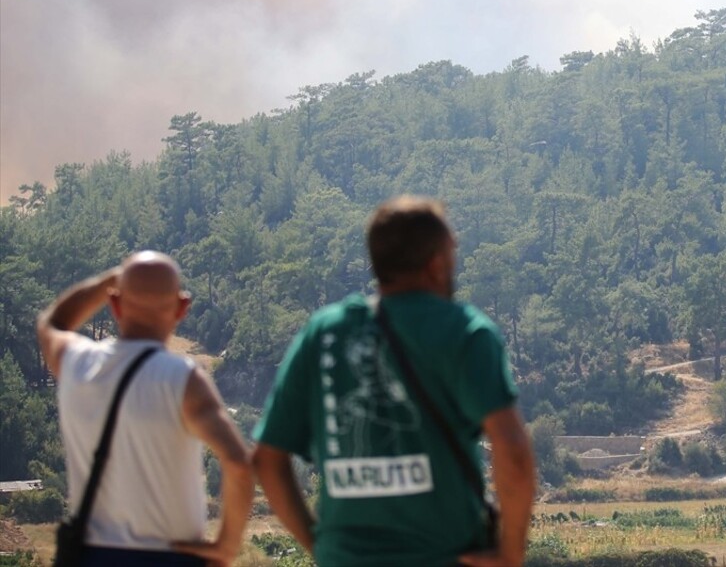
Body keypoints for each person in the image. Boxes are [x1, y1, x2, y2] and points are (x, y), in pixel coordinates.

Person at [253, 196, 536, 567]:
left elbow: (267, 460)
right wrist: (510, 554)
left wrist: (321, 548)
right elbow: (513, 451)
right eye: (453, 252)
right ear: (437, 263)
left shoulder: (322, 333)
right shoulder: (465, 331)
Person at [36, 252, 254, 567]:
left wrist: (114, 278)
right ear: (182, 308)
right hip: (172, 558)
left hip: (92, 556)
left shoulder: (76, 363)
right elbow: (238, 464)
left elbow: (52, 322)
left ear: (114, 304)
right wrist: (226, 545)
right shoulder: (184, 379)